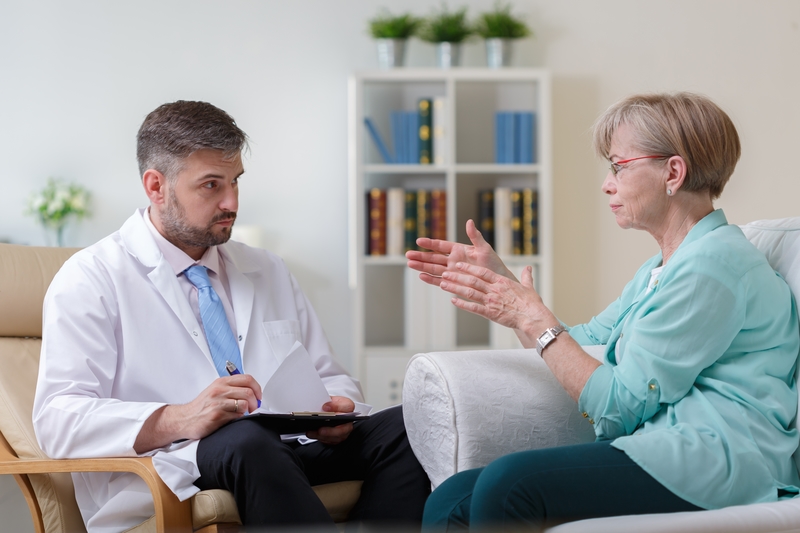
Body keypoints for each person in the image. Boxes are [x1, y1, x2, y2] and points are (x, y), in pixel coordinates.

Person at [407, 92, 800, 530]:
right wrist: (508, 293)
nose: (607, 183)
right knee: (451, 497)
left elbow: (616, 406)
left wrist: (530, 316)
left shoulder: (715, 266)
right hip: (667, 447)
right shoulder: (663, 267)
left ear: (673, 172)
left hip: (718, 458)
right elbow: (580, 346)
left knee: (509, 484)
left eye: (619, 166)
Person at [33, 100, 430, 533]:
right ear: (155, 186)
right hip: (173, 465)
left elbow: (329, 376)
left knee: (410, 425)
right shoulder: (92, 278)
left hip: (284, 447)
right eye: (210, 185)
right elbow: (58, 418)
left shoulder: (268, 269)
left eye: (235, 181)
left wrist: (335, 409)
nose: (231, 201)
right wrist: (181, 417)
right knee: (245, 439)